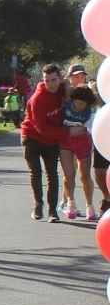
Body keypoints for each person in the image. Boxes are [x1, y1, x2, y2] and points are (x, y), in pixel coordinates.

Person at [20, 63, 70, 223]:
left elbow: (73, 89)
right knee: (36, 172)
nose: (50, 83)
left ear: (59, 79)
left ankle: (52, 211)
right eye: (47, 80)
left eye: (54, 79)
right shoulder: (37, 99)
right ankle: (38, 204)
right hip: (32, 137)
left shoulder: (62, 89)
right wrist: (68, 133)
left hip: (51, 140)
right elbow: (42, 129)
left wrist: (67, 88)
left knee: (52, 174)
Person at [61, 85, 97, 220]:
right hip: (66, 141)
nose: (79, 106)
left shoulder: (89, 112)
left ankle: (89, 205)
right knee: (68, 175)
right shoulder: (67, 103)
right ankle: (70, 202)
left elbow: (92, 129)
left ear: (87, 104)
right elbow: (65, 83)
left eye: (82, 104)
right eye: (76, 103)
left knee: (84, 176)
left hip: (83, 142)